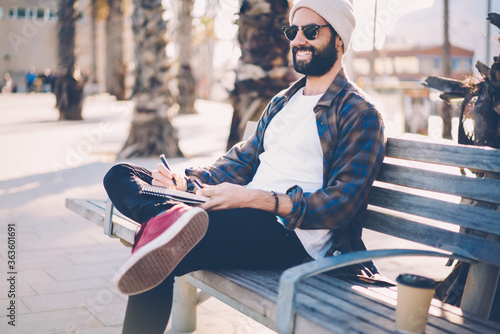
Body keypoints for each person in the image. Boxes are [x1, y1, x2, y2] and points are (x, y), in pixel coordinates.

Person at [103, 0, 385, 333]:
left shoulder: (359, 113)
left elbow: (343, 204)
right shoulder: (283, 102)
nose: (298, 40)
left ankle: (168, 220)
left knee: (161, 249)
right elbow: (239, 162)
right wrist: (183, 184)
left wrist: (255, 199)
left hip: (291, 235)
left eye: (311, 31)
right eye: (293, 31)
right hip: (242, 213)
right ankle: (171, 216)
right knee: (120, 174)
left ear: (340, 39)